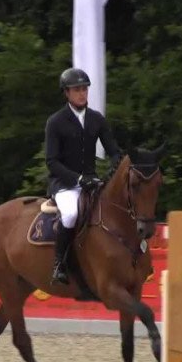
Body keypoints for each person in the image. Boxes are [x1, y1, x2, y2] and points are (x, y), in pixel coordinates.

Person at [45, 67, 122, 285]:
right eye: (76, 89)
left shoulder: (97, 119)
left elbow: (113, 150)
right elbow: (52, 161)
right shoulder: (56, 121)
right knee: (70, 214)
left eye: (84, 89)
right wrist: (78, 179)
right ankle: (59, 263)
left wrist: (115, 165)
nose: (82, 93)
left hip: (91, 182)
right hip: (65, 184)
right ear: (66, 93)